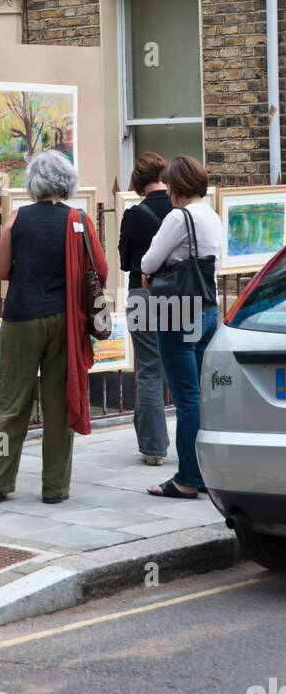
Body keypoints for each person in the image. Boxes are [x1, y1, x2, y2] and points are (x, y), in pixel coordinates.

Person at [0, 150, 108, 506]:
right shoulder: (79, 219)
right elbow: (101, 270)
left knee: (10, 404)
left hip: (21, 318)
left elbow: (1, 272)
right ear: (67, 183)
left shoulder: (17, 219)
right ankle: (54, 487)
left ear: (32, 183)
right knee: (59, 403)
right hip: (65, 320)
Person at [140, 155, 222, 500]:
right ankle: (204, 473)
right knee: (202, 397)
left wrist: (148, 272)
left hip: (177, 310)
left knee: (186, 397)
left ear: (177, 186)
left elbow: (148, 261)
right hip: (207, 310)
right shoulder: (212, 215)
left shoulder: (179, 216)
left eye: (170, 184)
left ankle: (187, 478)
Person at [118, 151, 172, 466]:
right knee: (184, 370)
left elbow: (127, 263)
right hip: (179, 296)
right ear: (164, 176)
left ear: (138, 183)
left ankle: (153, 449)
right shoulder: (182, 209)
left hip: (142, 294)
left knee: (149, 370)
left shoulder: (134, 214)